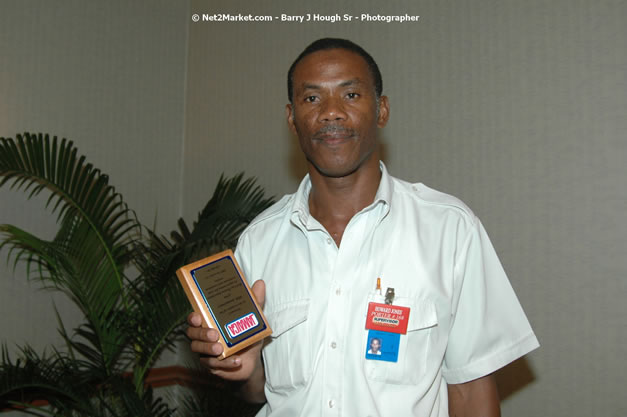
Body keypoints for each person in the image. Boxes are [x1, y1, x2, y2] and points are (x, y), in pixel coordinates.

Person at [187, 38, 539, 416]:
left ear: (382, 110)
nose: (331, 113)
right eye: (311, 99)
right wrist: (244, 367)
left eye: (351, 94)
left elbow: (472, 393)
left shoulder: (449, 230)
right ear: (292, 119)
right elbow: (259, 392)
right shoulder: (259, 241)